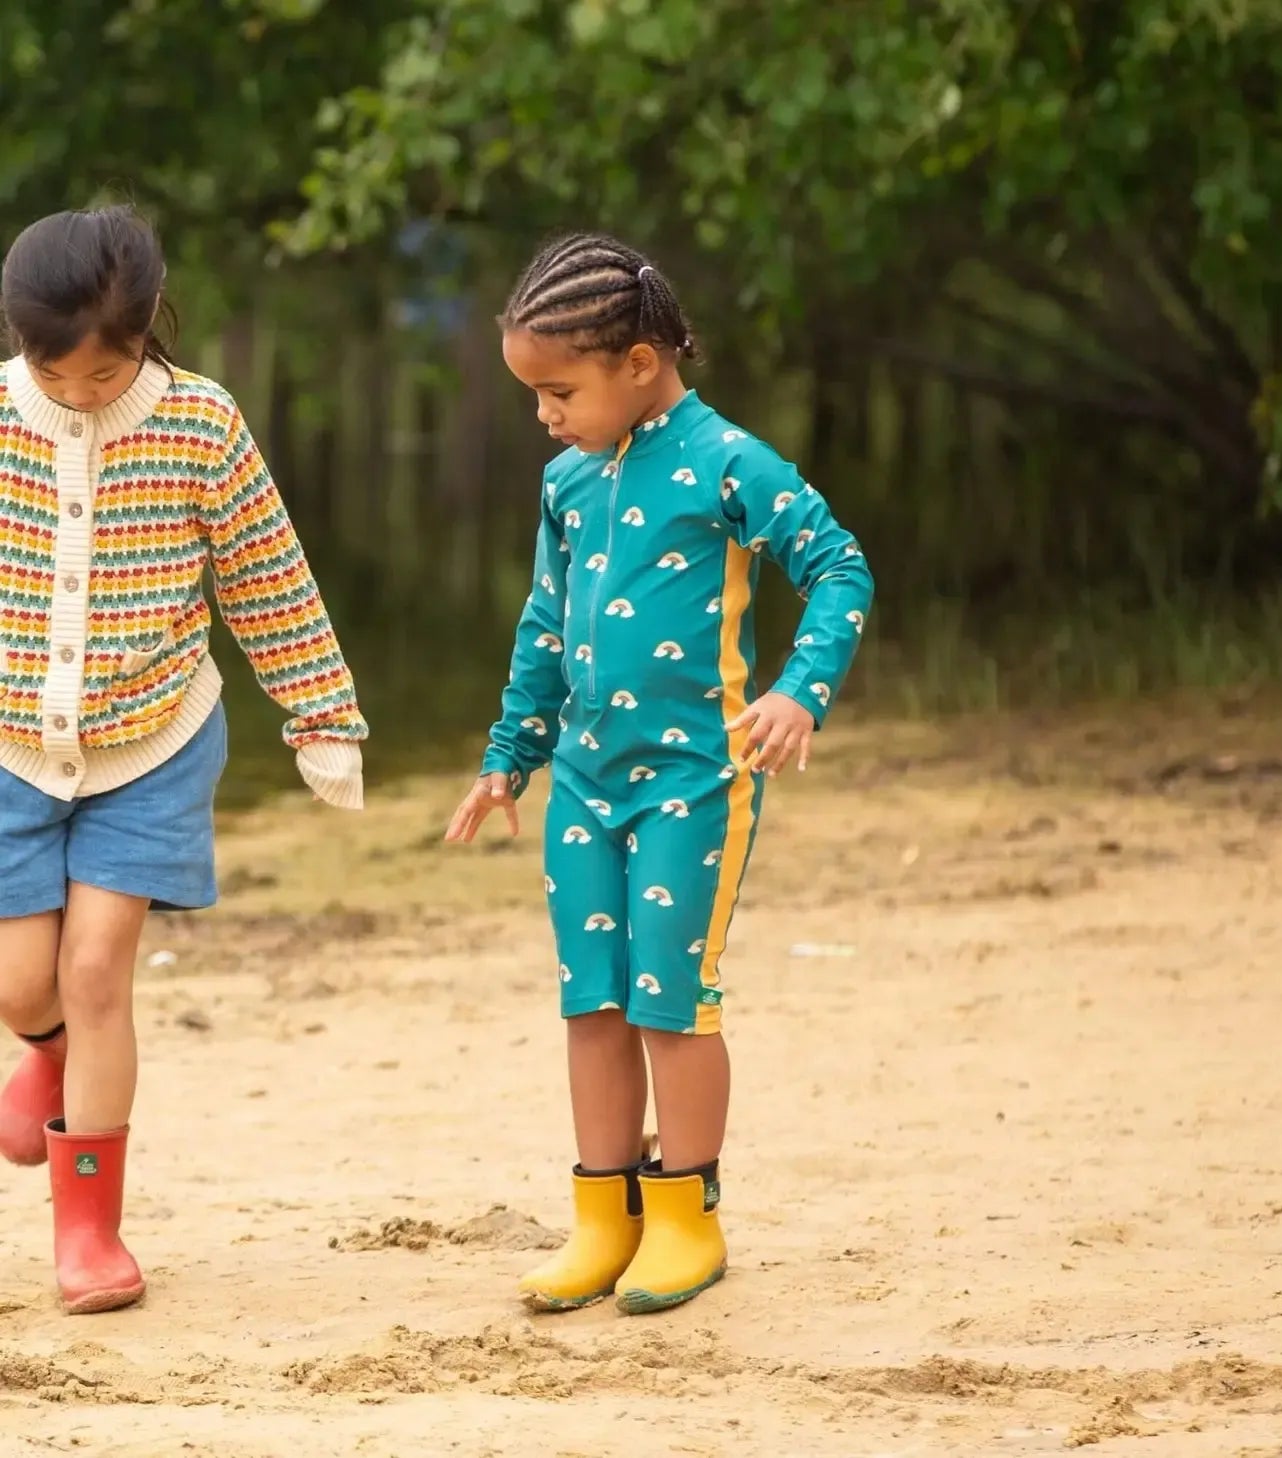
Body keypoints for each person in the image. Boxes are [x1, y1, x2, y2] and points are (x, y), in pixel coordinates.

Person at [446, 233, 873, 1314]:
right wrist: (509, 757)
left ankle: (687, 1216)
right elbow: (545, 626)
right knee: (592, 1000)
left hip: (696, 782)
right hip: (583, 784)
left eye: (559, 392)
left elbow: (839, 565)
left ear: (640, 363)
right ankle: (605, 1217)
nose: (544, 415)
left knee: (670, 1002)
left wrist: (800, 690)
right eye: (534, 394)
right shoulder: (565, 482)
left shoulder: (728, 462)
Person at [0, 206, 367, 1314]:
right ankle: (48, 1052)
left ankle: (88, 1232)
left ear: (149, 326)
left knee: (97, 973)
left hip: (152, 742)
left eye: (103, 374)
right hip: (11, 746)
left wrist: (321, 715)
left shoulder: (201, 423)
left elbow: (265, 576)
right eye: (54, 375)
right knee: (23, 984)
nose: (79, 395)